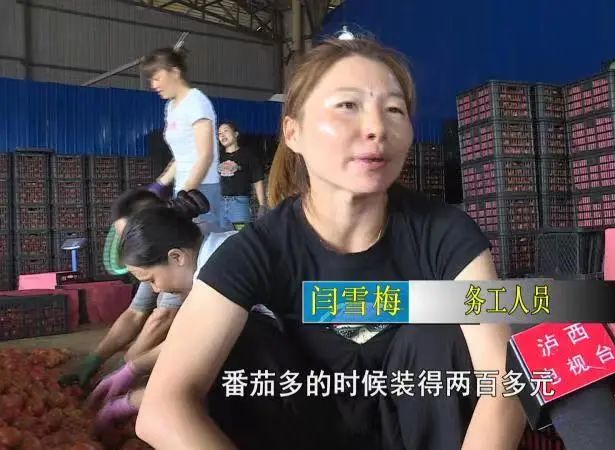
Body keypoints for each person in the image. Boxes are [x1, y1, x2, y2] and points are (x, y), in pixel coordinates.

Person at [136, 37, 525, 450]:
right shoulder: (257, 249)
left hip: (417, 433)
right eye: (348, 105)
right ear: (294, 132)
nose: (377, 128)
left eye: (394, 110)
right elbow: (162, 408)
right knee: (237, 344)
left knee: (443, 327)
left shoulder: (447, 235)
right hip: (299, 431)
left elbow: (505, 386)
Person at [88, 191, 241, 433]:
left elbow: (201, 351)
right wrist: (133, 368)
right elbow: (192, 335)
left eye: (152, 280)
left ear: (176, 257)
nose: (156, 290)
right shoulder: (213, 251)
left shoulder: (219, 273)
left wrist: (133, 400)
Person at [59, 187, 183, 388]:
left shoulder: (178, 252)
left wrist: (123, 370)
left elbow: (163, 318)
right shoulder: (153, 253)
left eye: (130, 236)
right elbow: (135, 313)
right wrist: (95, 359)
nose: (127, 244)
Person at [141, 47, 227, 229]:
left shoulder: (196, 101)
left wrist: (185, 194)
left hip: (201, 190)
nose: (153, 85)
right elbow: (181, 157)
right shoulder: (171, 107)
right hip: (183, 188)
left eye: (157, 78)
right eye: (151, 80)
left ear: (175, 72)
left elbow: (205, 156)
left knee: (203, 243)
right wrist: (159, 184)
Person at [217, 121, 268, 228]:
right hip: (219, 204)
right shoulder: (217, 157)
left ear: (236, 134)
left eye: (226, 131)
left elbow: (257, 180)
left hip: (239, 204)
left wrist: (262, 205)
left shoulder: (248, 155)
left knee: (241, 235)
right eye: (219, 133)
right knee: (221, 237)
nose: (222, 135)